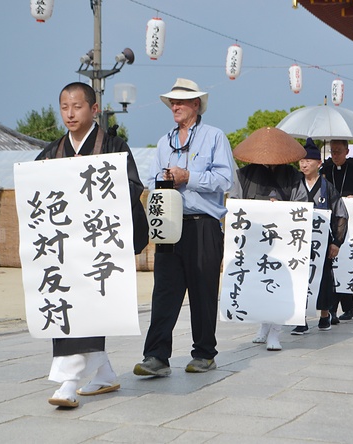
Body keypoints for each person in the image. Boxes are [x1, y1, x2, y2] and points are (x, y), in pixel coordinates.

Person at [35, 82, 148, 408]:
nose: (70, 114)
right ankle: (105, 373)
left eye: (77, 106)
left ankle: (68, 381)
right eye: (64, 107)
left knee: (88, 309)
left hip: (100, 245)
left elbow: (131, 188)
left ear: (94, 109)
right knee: (67, 306)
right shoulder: (52, 150)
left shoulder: (112, 145)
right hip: (66, 249)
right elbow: (36, 190)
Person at [133, 78, 234, 376]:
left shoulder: (215, 137)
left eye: (180, 102)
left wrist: (189, 176)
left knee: (203, 291)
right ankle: (156, 356)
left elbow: (226, 180)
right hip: (169, 223)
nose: (174, 106)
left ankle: (204, 353)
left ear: (196, 105)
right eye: (171, 102)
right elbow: (151, 181)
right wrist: (165, 180)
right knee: (164, 292)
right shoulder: (164, 141)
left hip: (203, 225)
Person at [229, 126, 307, 350]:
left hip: (282, 239)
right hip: (254, 240)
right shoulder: (243, 175)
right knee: (258, 284)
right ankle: (263, 325)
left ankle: (275, 332)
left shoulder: (292, 176)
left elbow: (301, 205)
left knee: (278, 285)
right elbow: (235, 204)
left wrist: (282, 208)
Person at [292, 138, 348, 334]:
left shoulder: (327, 187)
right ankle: (301, 318)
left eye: (308, 161)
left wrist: (336, 242)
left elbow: (341, 214)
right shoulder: (294, 186)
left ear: (319, 163)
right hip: (298, 242)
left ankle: (324, 315)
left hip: (321, 242)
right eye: (301, 161)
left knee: (322, 278)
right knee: (299, 278)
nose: (304, 164)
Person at [320, 139, 353, 322]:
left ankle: (341, 308)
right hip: (331, 224)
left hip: (352, 225)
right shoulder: (324, 171)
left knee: (345, 265)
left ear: (347, 151)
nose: (335, 155)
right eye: (332, 151)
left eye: (339, 151)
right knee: (334, 265)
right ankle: (342, 308)